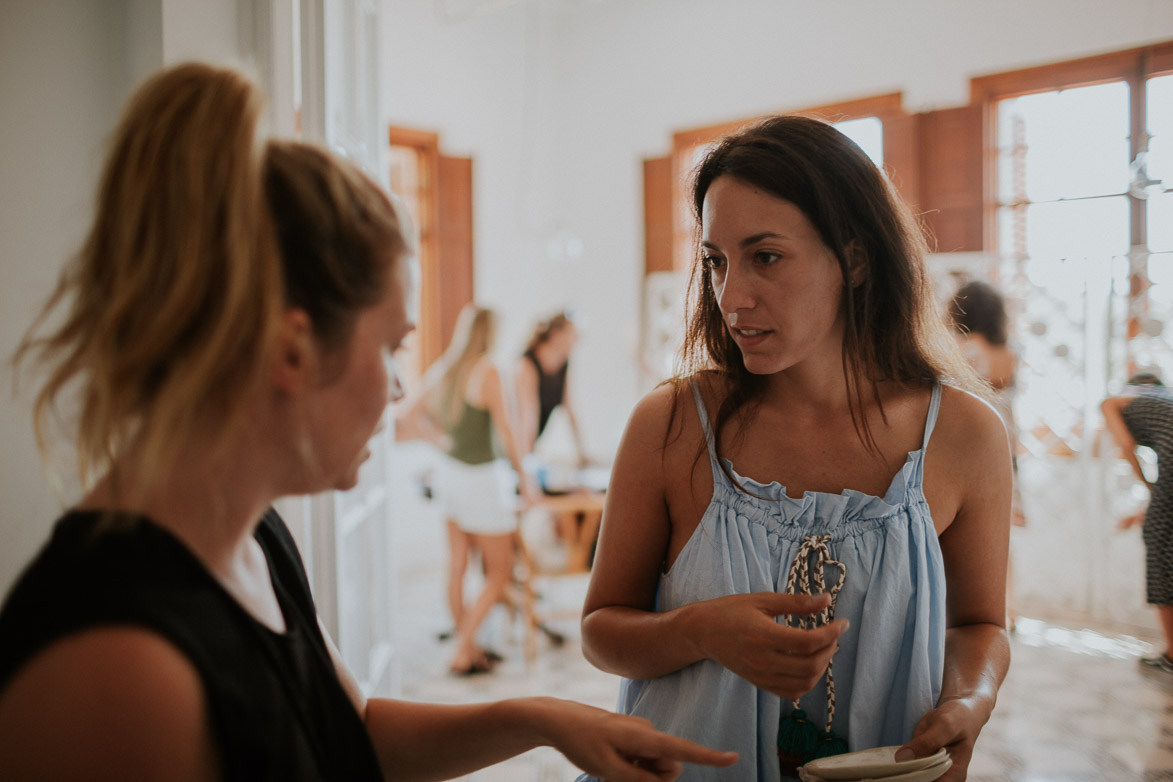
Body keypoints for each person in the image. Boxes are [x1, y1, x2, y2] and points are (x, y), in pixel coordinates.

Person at [0, 62, 739, 781]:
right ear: (293, 349)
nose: (396, 388)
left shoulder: (251, 538)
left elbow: (348, 738)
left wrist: (542, 719)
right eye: (392, 347)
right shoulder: (118, 664)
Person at [578, 115, 1012, 781]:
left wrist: (970, 701)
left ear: (857, 257)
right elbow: (601, 630)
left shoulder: (965, 436)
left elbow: (980, 624)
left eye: (766, 257)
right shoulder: (670, 425)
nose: (731, 295)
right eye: (715, 262)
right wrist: (696, 632)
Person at [397, 304, 537, 675]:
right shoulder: (489, 370)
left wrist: (440, 442)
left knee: (457, 566)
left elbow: (408, 414)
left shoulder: (447, 368)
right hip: (482, 481)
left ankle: (470, 646)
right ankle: (462, 649)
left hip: (451, 477)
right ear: (491, 334)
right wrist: (526, 477)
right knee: (499, 573)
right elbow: (507, 430)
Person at [948, 279, 1026, 628]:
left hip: (974, 447)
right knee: (1001, 536)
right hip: (1008, 449)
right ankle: (1009, 609)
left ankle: (978, 613)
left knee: (971, 536)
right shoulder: (1009, 353)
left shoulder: (966, 348)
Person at [1101, 372, 1173, 673]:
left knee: (1158, 544)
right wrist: (1150, 503)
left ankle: (1171, 654)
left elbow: (1126, 445)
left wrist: (1146, 485)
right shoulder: (1163, 403)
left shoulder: (1116, 401)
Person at [516, 311, 589, 467]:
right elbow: (528, 415)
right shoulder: (527, 365)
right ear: (556, 334)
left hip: (531, 444)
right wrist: (527, 460)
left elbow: (570, 408)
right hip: (516, 444)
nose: (576, 341)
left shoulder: (563, 364)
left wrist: (582, 453)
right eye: (573, 335)